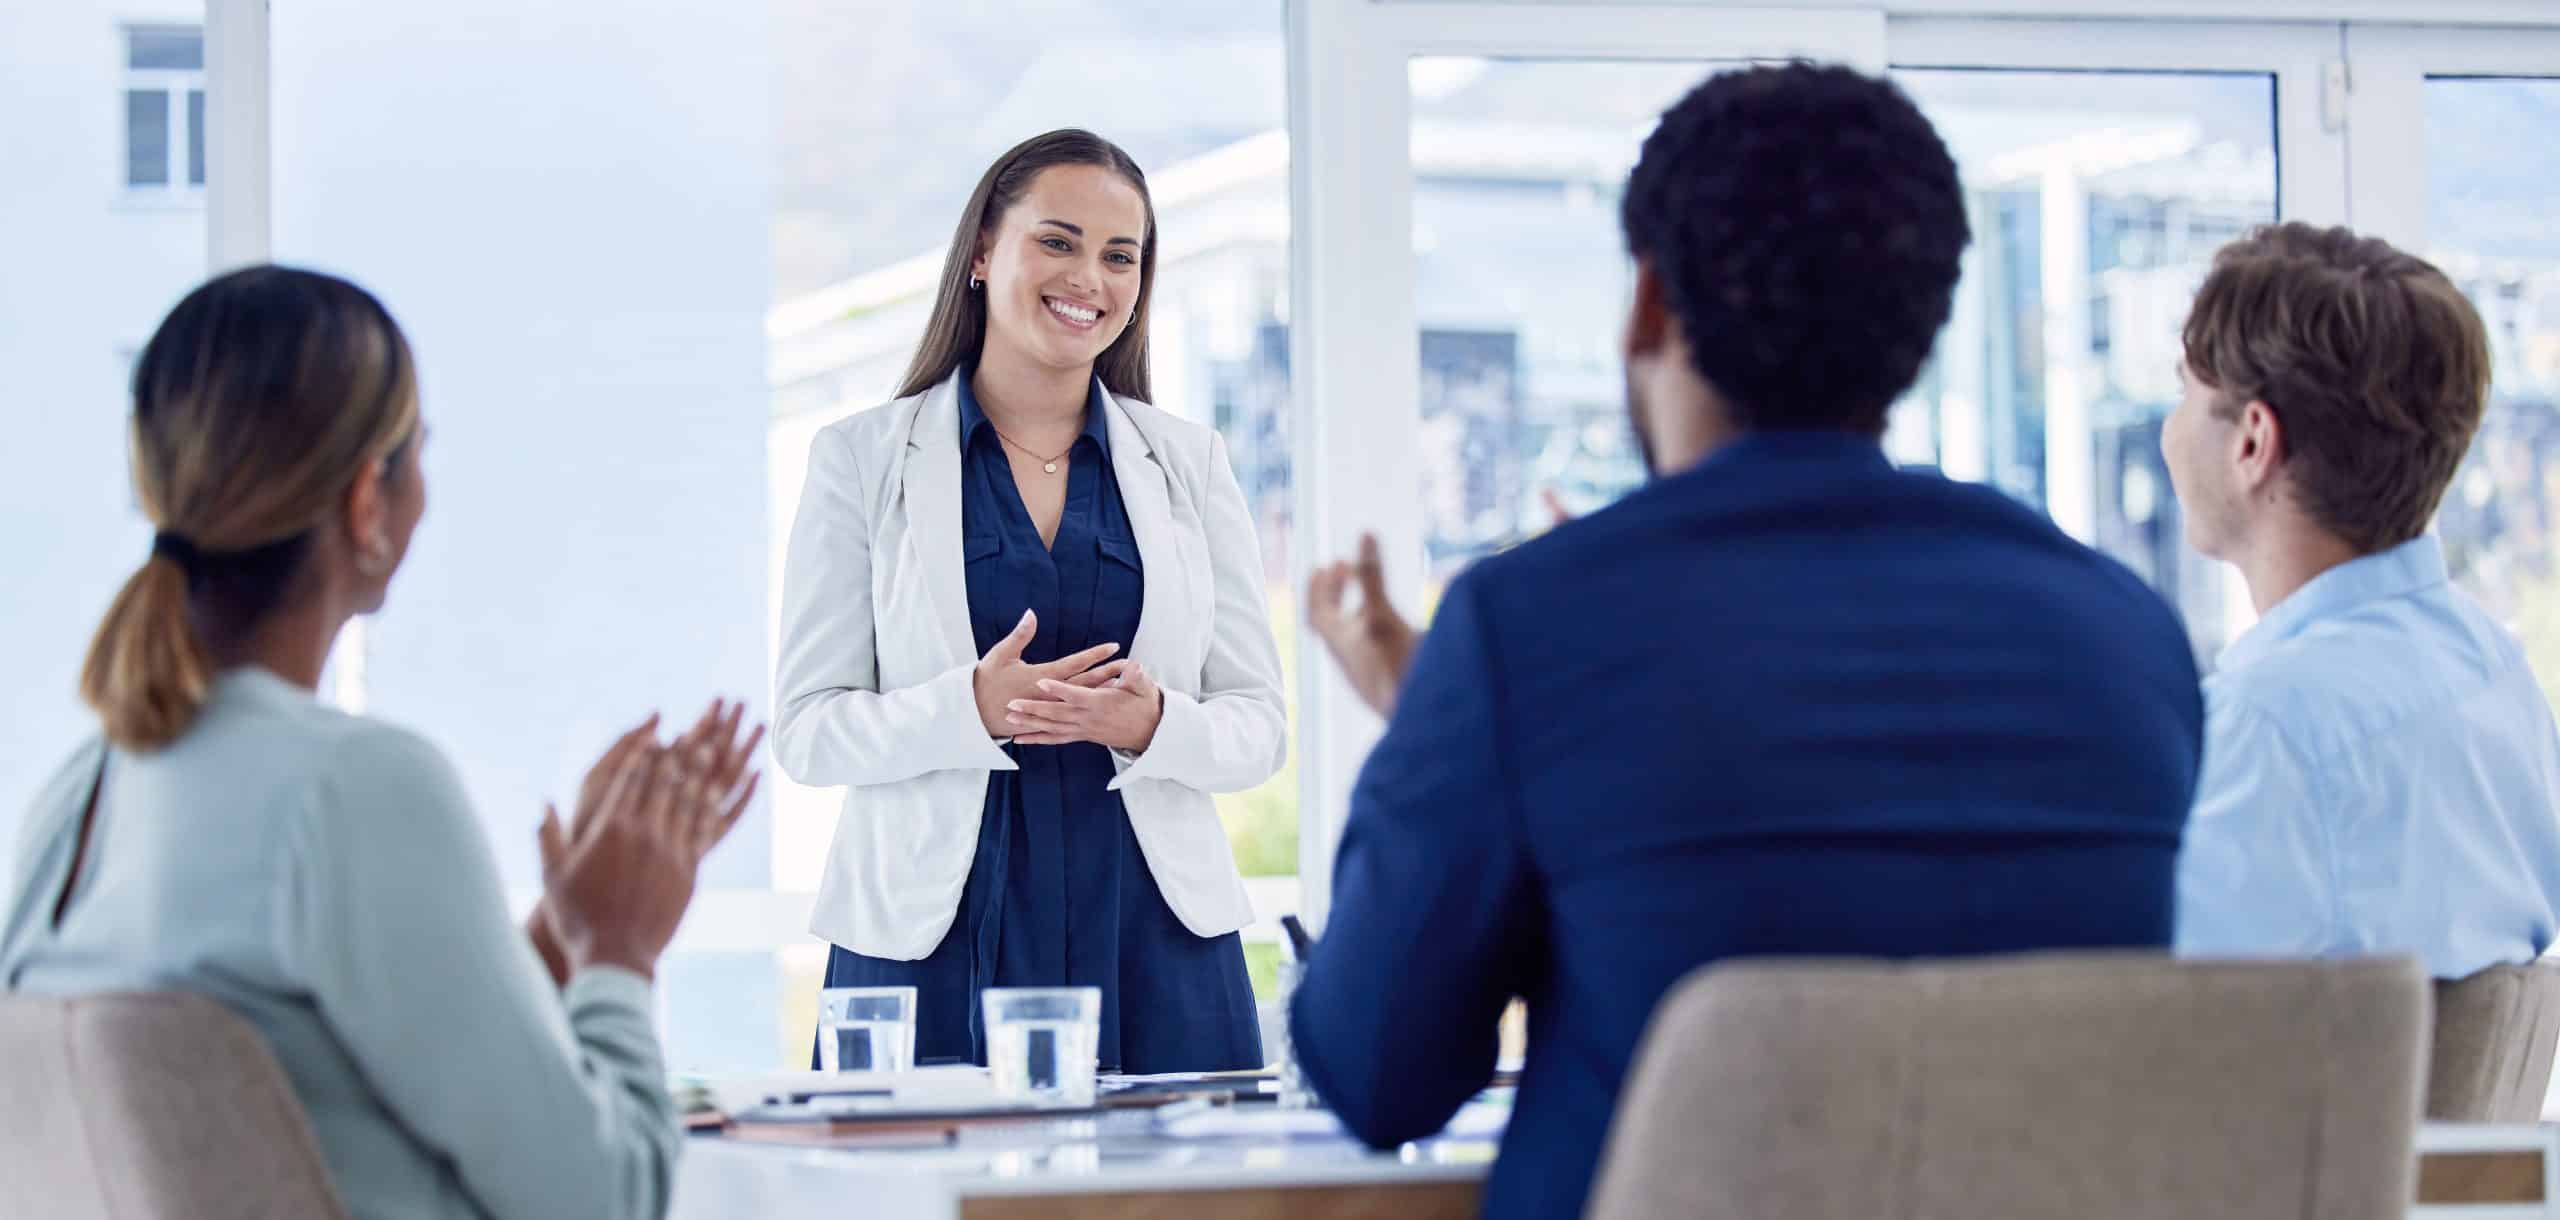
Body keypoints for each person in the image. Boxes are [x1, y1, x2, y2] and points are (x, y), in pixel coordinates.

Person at [1288, 63, 2205, 1220]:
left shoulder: (1532, 625)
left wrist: (1433, 731)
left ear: (1650, 305)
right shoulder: (2125, 633)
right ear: (1918, 322)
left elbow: (1376, 1072)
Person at [0, 265, 762, 1220]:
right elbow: (604, 1198)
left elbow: (332, 1084)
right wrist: (619, 948)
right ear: (368, 501)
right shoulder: (351, 787)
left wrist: (551, 945)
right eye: (419, 452)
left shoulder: (81, 799)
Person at [773, 129, 1284, 1073]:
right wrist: (969, 709)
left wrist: (1153, 722)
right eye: (1058, 241)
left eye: (1119, 255)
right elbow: (808, 729)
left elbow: (1258, 726)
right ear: (981, 253)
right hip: (931, 937)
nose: (1089, 276)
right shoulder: (860, 460)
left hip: (1153, 929)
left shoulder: (1190, 464)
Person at [2166, 223, 2560, 977]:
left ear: (2252, 443)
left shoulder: (2267, 729)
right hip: (2410, 1100)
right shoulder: (2498, 676)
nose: (2169, 429)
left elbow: (2139, 1026)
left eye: (2184, 394)